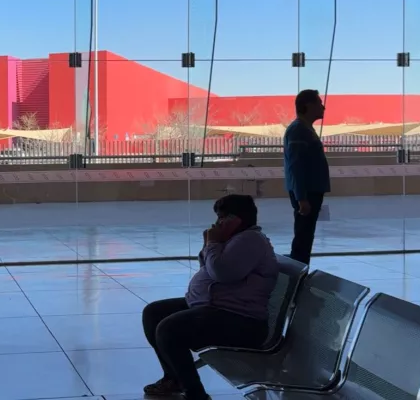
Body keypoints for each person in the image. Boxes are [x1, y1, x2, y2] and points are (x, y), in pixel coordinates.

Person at [141, 194, 278, 400]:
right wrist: (210, 244)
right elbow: (207, 267)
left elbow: (222, 272)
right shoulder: (235, 239)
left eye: (222, 218)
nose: (217, 223)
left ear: (236, 220)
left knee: (170, 329)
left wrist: (213, 242)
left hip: (241, 320)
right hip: (216, 308)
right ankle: (174, 378)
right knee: (154, 313)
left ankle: (195, 394)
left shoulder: (250, 240)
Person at [283, 89, 330, 265]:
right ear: (308, 105)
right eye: (319, 103)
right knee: (303, 237)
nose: (323, 107)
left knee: (305, 235)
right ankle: (298, 270)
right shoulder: (299, 130)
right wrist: (301, 198)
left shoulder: (304, 129)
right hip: (307, 192)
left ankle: (300, 269)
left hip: (310, 190)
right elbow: (296, 166)